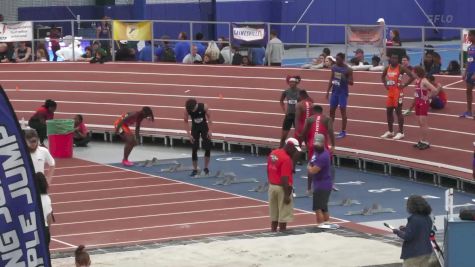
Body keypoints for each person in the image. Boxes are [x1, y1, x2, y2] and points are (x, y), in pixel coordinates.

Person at [267, 138, 301, 232]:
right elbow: (284, 178)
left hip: (272, 186)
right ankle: (282, 233)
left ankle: (273, 231)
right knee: (283, 215)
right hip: (283, 188)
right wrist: (286, 195)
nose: (294, 152)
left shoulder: (273, 153)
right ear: (290, 146)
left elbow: (268, 170)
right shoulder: (286, 159)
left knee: (274, 213)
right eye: (294, 149)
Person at [392, 195, 435, 267]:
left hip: (414, 253)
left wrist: (397, 232)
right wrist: (406, 229)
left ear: (412, 207)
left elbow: (408, 236)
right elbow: (421, 230)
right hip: (426, 251)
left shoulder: (414, 219)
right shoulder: (427, 217)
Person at [380, 54, 415, 140]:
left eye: (396, 58)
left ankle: (401, 132)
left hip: (398, 92)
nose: (394, 60)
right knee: (389, 111)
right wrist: (385, 85)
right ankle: (390, 131)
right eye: (393, 58)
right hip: (390, 92)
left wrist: (404, 85)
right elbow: (382, 76)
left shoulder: (401, 68)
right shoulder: (387, 68)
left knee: (398, 112)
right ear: (390, 59)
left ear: (398, 60)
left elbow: (412, 76)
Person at [307, 134, 333, 226]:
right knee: (323, 208)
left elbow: (313, 170)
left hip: (322, 185)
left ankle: (321, 225)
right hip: (320, 184)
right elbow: (311, 163)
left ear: (323, 144)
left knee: (318, 208)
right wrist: (310, 166)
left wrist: (310, 167)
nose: (316, 146)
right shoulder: (316, 152)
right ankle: (326, 224)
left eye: (318, 144)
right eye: (315, 144)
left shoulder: (323, 156)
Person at [326, 53, 353, 139]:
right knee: (331, 111)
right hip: (334, 93)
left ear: (343, 59)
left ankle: (343, 131)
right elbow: (331, 79)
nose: (336, 61)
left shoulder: (348, 70)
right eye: (336, 59)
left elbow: (351, 83)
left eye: (338, 59)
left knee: (343, 112)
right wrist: (327, 91)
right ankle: (329, 129)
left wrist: (344, 78)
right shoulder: (334, 68)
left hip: (342, 94)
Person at [184, 98, 213, 177]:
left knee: (207, 147)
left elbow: (209, 118)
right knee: (194, 149)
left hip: (204, 127)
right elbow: (185, 121)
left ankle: (206, 168)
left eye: (193, 109)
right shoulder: (187, 110)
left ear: (196, 105)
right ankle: (195, 170)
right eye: (191, 110)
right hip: (195, 129)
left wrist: (210, 130)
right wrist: (189, 135)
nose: (192, 111)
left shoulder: (204, 107)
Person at [412, 66, 437, 150]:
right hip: (418, 102)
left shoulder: (424, 81)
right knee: (419, 122)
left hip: (423, 103)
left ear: (417, 72)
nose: (412, 73)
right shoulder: (416, 81)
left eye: (413, 72)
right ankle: (422, 140)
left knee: (423, 122)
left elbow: (434, 90)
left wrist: (428, 96)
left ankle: (426, 142)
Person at [279, 75, 301, 147]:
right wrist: (284, 110)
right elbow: (281, 101)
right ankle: (280, 149)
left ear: (296, 83)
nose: (291, 83)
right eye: (290, 82)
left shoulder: (301, 92)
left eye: (293, 82)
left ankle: (298, 150)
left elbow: (308, 101)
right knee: (283, 136)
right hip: (289, 115)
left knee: (298, 136)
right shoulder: (286, 92)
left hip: (297, 116)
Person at [36, 172, 53, 256]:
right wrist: (48, 230)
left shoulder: (32, 199)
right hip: (45, 229)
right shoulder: (47, 198)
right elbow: (49, 218)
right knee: (45, 254)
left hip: (35, 230)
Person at [461, 30, 475, 118]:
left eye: (470, 35)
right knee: (468, 91)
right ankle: (469, 111)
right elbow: (468, 61)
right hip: (469, 73)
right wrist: (465, 73)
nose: (468, 37)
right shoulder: (469, 47)